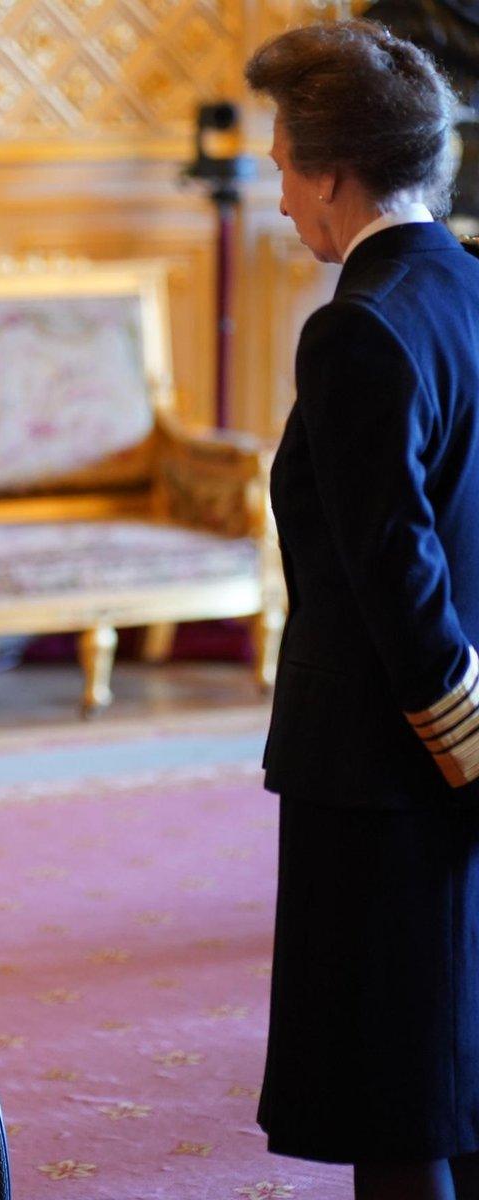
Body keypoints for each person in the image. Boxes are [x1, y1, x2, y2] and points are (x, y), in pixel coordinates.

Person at [245, 19, 479, 1200]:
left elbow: (400, 576)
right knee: (459, 1075)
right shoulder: (465, 288)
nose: (279, 194)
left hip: (387, 777)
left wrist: (467, 755)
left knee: (397, 1104)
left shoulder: (356, 328)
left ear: (335, 173)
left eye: (283, 163)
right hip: (447, 763)